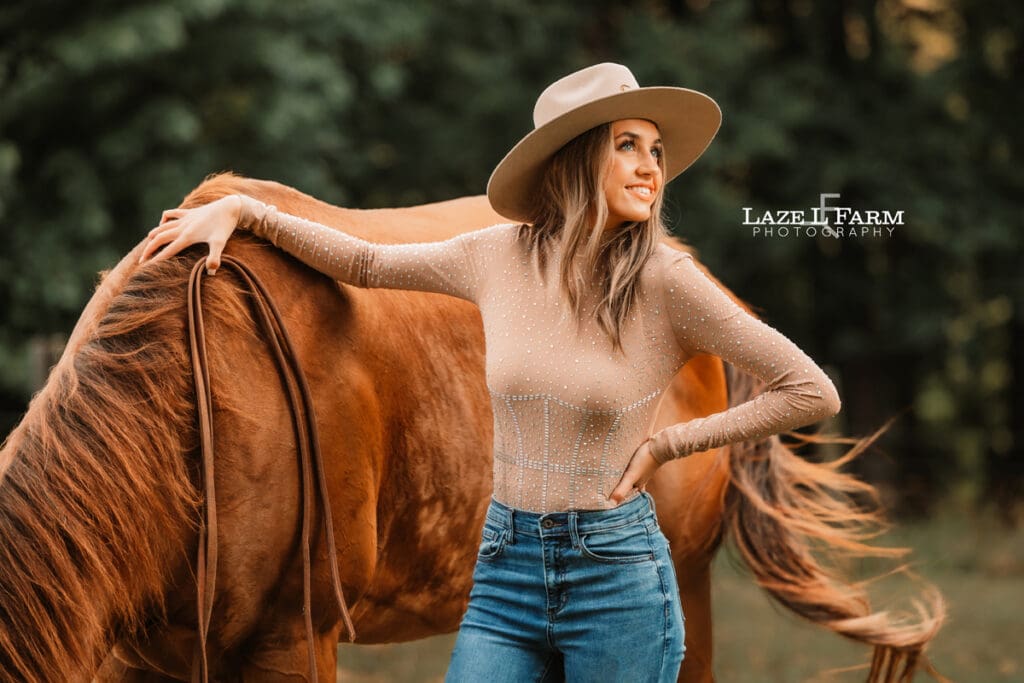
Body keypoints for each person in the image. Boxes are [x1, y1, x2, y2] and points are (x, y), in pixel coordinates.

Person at [138, 62, 841, 682]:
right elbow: (367, 265)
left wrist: (668, 444)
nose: (651, 165)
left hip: (618, 574)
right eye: (627, 144)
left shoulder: (666, 280)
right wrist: (245, 209)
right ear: (574, 157)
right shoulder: (497, 255)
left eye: (656, 149)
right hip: (505, 566)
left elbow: (810, 388)